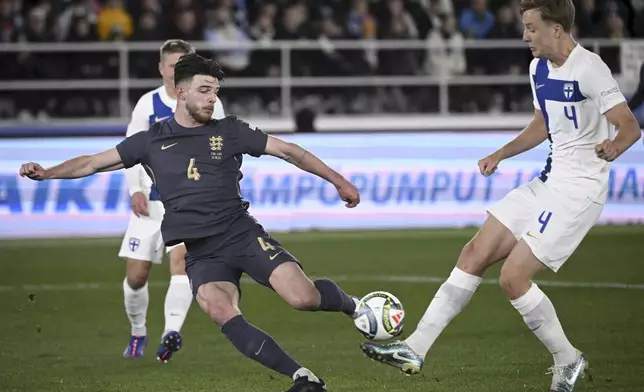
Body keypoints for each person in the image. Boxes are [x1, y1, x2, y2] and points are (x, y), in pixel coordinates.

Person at [20, 53, 363, 392]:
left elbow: (290, 151)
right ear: (181, 92)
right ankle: (304, 378)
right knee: (218, 308)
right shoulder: (152, 140)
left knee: (303, 298)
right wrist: (48, 173)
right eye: (204, 90)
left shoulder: (231, 131)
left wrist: (338, 180)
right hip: (201, 253)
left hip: (241, 234)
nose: (212, 98)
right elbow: (93, 163)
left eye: (215, 91)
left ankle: (355, 306)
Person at [360, 1, 642, 391]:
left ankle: (568, 359)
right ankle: (414, 348)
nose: (525, 36)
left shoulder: (590, 68)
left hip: (579, 192)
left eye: (531, 28)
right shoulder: (538, 68)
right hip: (548, 182)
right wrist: (501, 152)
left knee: (513, 279)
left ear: (557, 29)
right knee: (473, 253)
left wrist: (614, 148)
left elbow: (628, 126)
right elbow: (542, 124)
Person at [118, 39, 226, 363]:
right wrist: (134, 190)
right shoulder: (147, 105)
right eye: (173, 65)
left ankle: (170, 334)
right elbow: (129, 149)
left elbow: (221, 147)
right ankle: (138, 332)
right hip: (149, 203)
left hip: (186, 203)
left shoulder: (211, 103)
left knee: (181, 264)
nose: (178, 71)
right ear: (162, 69)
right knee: (137, 277)